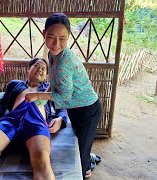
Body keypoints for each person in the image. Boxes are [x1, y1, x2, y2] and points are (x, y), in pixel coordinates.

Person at [25, 13, 102, 179]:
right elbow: (54, 83)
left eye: (62, 38)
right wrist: (42, 96)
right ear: (43, 33)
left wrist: (37, 95)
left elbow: (64, 97)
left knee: (81, 151)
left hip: (88, 110)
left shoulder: (64, 63)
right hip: (75, 107)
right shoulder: (53, 56)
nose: (56, 44)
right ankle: (88, 158)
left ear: (69, 37)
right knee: (81, 143)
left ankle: (85, 171)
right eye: (51, 37)